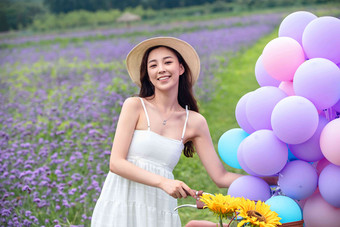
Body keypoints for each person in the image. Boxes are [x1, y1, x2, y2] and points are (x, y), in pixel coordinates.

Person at [91, 36, 261, 227]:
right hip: (121, 201)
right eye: (153, 65)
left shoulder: (194, 122)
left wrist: (267, 179)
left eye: (168, 62)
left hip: (158, 208)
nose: (161, 69)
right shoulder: (135, 106)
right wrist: (164, 182)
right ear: (147, 74)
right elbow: (116, 163)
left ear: (181, 68)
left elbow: (220, 177)